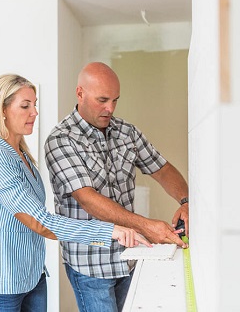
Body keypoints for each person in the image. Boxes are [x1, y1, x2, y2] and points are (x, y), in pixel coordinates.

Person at [0, 73, 150, 312]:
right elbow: (42, 223)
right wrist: (110, 230)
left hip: (32, 275)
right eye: (25, 106)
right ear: (2, 110)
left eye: (35, 104)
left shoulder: (21, 155)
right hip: (1, 280)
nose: (34, 112)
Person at [44, 62, 190, 312]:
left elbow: (162, 169)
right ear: (80, 93)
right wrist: (147, 226)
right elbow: (88, 199)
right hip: (90, 265)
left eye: (115, 100)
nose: (109, 108)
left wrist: (186, 202)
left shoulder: (127, 133)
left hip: (129, 257)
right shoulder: (61, 140)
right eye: (102, 100)